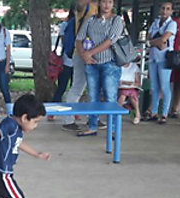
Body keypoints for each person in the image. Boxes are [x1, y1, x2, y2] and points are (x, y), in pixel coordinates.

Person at [75, 0, 124, 137]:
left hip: (110, 63)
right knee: (92, 96)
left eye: (110, 2)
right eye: (104, 2)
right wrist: (83, 55)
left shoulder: (116, 20)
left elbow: (111, 40)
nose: (107, 5)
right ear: (99, 4)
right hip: (91, 64)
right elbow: (79, 38)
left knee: (110, 97)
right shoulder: (90, 20)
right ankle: (92, 126)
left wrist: (90, 52)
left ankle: (113, 129)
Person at [61, 0, 102, 133]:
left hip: (96, 53)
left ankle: (93, 117)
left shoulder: (99, 7)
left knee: (94, 88)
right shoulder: (85, 5)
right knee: (78, 87)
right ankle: (68, 120)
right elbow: (79, 5)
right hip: (81, 52)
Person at [145, 1, 177, 125]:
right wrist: (154, 42)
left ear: (171, 11)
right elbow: (149, 37)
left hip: (165, 58)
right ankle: (153, 111)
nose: (164, 11)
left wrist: (152, 42)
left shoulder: (172, 24)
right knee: (154, 86)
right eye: (163, 8)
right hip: (153, 57)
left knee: (164, 86)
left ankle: (164, 113)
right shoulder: (155, 22)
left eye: (168, 9)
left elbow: (164, 39)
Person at [48, 9, 76, 121]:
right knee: (62, 87)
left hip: (78, 62)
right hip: (66, 61)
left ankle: (75, 111)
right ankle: (53, 111)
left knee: (75, 89)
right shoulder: (66, 24)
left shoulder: (85, 24)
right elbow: (64, 41)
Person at [118, 60, 142, 124]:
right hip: (120, 87)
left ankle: (137, 114)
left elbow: (138, 82)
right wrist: (124, 82)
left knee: (132, 94)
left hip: (131, 87)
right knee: (123, 95)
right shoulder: (118, 66)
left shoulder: (134, 66)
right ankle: (137, 114)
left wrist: (131, 83)